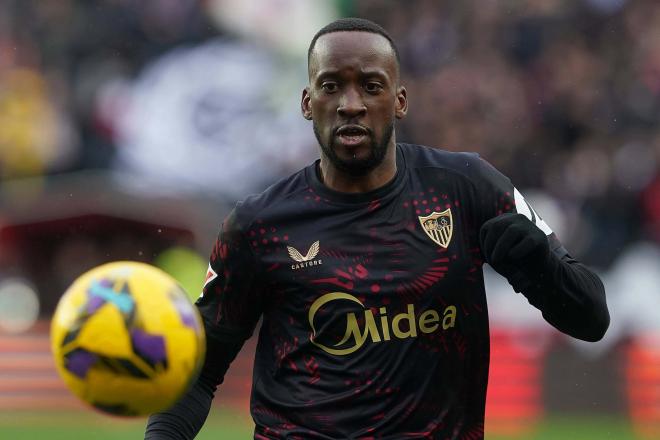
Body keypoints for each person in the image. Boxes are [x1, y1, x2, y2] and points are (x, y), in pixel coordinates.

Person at [145, 18, 609, 439]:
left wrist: (540, 269)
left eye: (371, 86)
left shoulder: (468, 188)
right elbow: (198, 370)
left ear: (399, 100)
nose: (351, 105)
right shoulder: (258, 225)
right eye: (331, 86)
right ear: (307, 102)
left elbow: (591, 319)